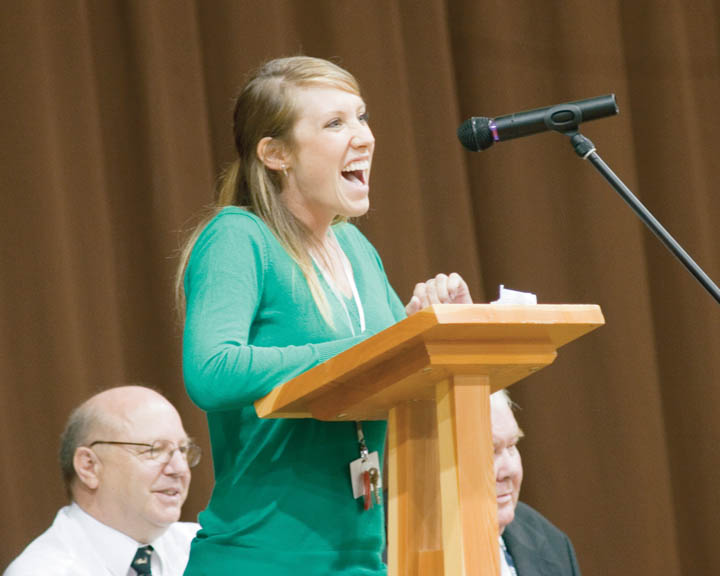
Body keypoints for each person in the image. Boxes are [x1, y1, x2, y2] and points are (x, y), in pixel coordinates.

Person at [177, 55, 472, 575]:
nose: (363, 137)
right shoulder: (238, 237)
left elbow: (374, 367)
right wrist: (374, 350)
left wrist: (426, 330)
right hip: (262, 560)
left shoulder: (355, 247)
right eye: (335, 124)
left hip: (361, 558)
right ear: (275, 154)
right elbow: (212, 370)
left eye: (361, 116)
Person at [4, 385, 201, 576]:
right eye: (154, 450)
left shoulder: (203, 549)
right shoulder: (42, 571)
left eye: (182, 450)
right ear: (89, 467)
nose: (180, 469)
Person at [491, 389, 582, 576]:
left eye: (512, 446)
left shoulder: (550, 542)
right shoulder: (419, 553)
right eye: (491, 451)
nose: (510, 470)